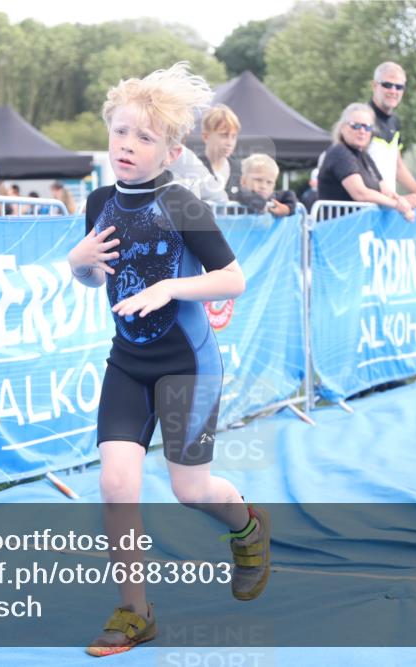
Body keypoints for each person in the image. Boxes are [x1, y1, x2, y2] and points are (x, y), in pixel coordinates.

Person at [67, 63, 271, 657]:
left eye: (145, 138)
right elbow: (91, 277)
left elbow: (233, 279)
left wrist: (169, 289)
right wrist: (75, 262)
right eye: (121, 132)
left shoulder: (182, 204)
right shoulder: (99, 202)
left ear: (172, 151)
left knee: (191, 489)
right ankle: (136, 613)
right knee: (115, 483)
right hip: (127, 363)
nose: (127, 145)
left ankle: (248, 527)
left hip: (186, 364)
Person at [367, 62, 416, 208]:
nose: (393, 90)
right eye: (387, 85)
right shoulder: (362, 118)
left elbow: (398, 167)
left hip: (386, 208)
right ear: (375, 86)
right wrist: (398, 199)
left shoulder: (395, 121)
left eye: (399, 87)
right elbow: (358, 168)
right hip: (363, 208)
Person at [317, 102, 415, 221]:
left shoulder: (365, 156)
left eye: (368, 127)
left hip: (358, 230)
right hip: (336, 231)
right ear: (342, 128)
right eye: (356, 126)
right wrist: (397, 205)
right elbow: (360, 193)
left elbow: (386, 191)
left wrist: (402, 200)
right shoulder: (339, 152)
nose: (362, 131)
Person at [198, 104, 243, 200]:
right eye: (224, 135)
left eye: (233, 136)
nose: (230, 143)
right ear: (206, 137)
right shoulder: (194, 167)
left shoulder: (240, 169)